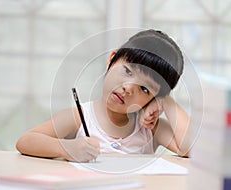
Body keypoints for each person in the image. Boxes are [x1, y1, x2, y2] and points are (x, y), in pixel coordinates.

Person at [16, 29, 190, 162]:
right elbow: (26, 140)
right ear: (111, 60)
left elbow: (190, 149)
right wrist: (67, 148)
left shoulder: (151, 128)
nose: (128, 88)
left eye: (145, 89)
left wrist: (166, 101)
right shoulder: (81, 116)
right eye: (128, 71)